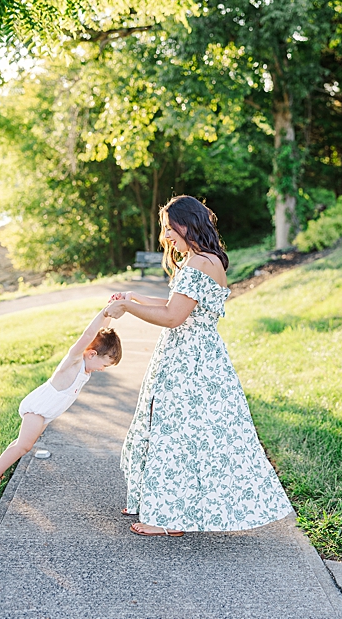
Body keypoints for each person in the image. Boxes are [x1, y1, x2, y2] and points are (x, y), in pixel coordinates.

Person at [106, 195, 292, 537]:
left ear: (188, 224)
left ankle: (167, 520)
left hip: (191, 362)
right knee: (184, 434)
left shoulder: (199, 263)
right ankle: (168, 511)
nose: (166, 237)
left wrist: (129, 310)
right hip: (194, 357)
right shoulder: (201, 259)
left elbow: (173, 316)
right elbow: (173, 303)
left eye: (169, 228)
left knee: (177, 434)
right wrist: (132, 298)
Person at [0, 309, 121, 505]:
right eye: (104, 365)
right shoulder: (74, 361)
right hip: (39, 407)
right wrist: (104, 312)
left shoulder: (86, 368)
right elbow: (89, 334)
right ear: (91, 353)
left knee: (21, 443)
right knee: (24, 446)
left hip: (47, 413)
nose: (102, 369)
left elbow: (101, 334)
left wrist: (111, 314)